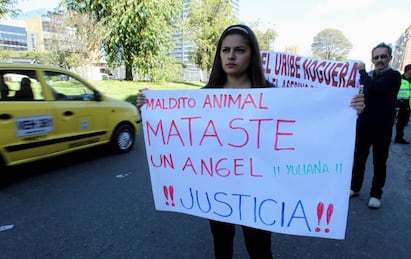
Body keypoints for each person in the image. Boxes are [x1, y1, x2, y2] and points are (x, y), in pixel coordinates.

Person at [137, 24, 365, 258]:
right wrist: (151, 108)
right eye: (225, 50)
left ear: (252, 55)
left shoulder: (273, 95)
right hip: (216, 188)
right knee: (221, 246)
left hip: (259, 192)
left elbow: (307, 127)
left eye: (239, 50)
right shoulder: (204, 97)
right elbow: (184, 127)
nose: (231, 56)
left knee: (259, 250)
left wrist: (346, 113)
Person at [350, 42, 401, 209]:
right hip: (363, 125)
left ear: (390, 58)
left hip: (382, 128)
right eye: (376, 57)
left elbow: (375, 89)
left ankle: (376, 194)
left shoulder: (393, 76)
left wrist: (362, 71)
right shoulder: (369, 76)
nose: (379, 60)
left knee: (379, 163)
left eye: (383, 56)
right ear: (372, 59)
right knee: (358, 159)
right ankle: (355, 187)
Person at [394, 63, 411, 144]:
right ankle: (398, 138)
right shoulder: (400, 80)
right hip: (399, 106)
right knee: (398, 123)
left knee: (403, 123)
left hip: (408, 106)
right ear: (408, 70)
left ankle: (399, 138)